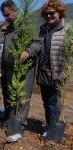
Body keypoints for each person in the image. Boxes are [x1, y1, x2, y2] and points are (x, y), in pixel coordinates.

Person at [21, 0, 69, 139]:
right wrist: (28, 52)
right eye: (46, 14)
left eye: (52, 13)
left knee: (54, 104)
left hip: (57, 73)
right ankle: (49, 127)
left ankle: (53, 133)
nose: (49, 16)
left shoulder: (66, 29)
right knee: (46, 102)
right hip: (43, 71)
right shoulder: (43, 29)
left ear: (59, 12)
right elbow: (37, 45)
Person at [0, 0, 36, 142]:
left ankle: (20, 127)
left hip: (23, 69)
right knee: (12, 95)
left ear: (15, 11)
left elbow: (37, 42)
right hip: (9, 69)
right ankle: (12, 121)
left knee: (22, 96)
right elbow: (5, 50)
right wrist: (2, 66)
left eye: (8, 15)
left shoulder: (26, 25)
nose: (6, 18)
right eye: (4, 16)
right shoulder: (9, 29)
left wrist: (28, 51)